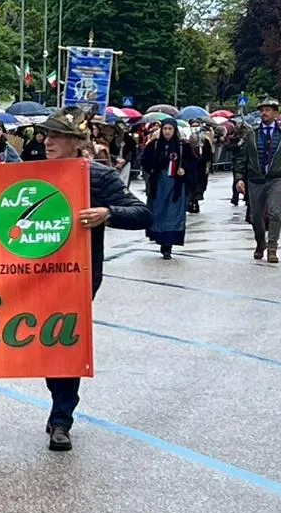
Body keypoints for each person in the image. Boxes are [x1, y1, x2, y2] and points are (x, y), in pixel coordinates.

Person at [35, 108, 150, 452]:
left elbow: (143, 213)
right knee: (44, 343)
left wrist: (108, 214)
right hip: (30, 275)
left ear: (76, 142)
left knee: (64, 341)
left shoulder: (97, 177)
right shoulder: (31, 173)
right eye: (46, 135)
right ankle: (59, 403)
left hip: (77, 274)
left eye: (56, 136)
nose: (47, 142)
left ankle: (61, 418)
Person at [236, 97, 281, 264]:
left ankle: (272, 248)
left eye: (268, 110)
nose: (264, 113)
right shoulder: (251, 134)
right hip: (256, 180)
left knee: (275, 213)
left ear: (275, 113)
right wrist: (239, 178)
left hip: (277, 179)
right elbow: (242, 158)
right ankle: (260, 242)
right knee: (255, 216)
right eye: (262, 110)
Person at [141, 120, 190, 259]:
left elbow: (193, 162)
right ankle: (161, 239)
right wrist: (153, 170)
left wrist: (184, 169)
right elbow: (145, 161)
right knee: (159, 212)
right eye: (165, 128)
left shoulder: (182, 146)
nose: (167, 131)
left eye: (170, 129)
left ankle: (168, 245)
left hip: (176, 187)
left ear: (175, 130)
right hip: (159, 186)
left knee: (173, 214)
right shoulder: (154, 145)